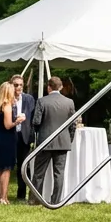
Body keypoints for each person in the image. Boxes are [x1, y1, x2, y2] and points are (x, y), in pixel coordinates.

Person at [30, 77, 77, 206]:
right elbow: (73, 124)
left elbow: (36, 122)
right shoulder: (69, 102)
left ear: (48, 87)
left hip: (45, 142)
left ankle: (34, 199)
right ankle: (56, 200)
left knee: (39, 172)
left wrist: (38, 134)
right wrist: (69, 139)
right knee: (59, 173)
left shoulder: (42, 101)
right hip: (63, 142)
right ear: (61, 87)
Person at [0, 81, 24, 205]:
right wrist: (18, 121)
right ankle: (4, 197)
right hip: (7, 138)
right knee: (6, 168)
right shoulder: (7, 105)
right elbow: (8, 125)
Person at [10, 74, 36, 201]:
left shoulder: (29, 99)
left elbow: (33, 119)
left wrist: (31, 136)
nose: (18, 87)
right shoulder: (7, 98)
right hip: (10, 135)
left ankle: (22, 194)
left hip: (24, 137)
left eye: (20, 85)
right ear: (11, 85)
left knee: (24, 166)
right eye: (16, 85)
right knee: (6, 165)